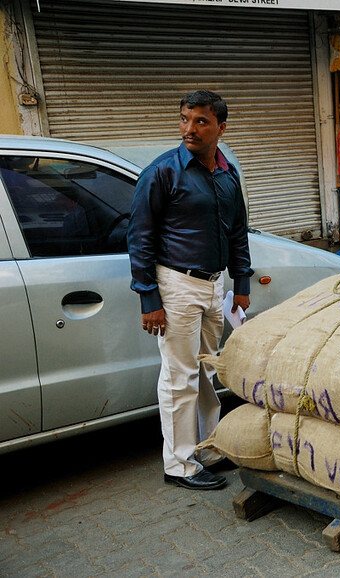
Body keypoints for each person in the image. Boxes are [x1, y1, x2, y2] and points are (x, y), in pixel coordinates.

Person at [128, 90, 253, 490]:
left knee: (204, 372)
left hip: (213, 286)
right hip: (176, 285)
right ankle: (179, 464)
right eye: (185, 119)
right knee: (179, 375)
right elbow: (140, 237)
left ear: (221, 127)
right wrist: (149, 297)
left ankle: (206, 448)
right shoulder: (162, 172)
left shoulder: (227, 173)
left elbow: (237, 232)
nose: (190, 129)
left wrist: (241, 284)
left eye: (200, 121)